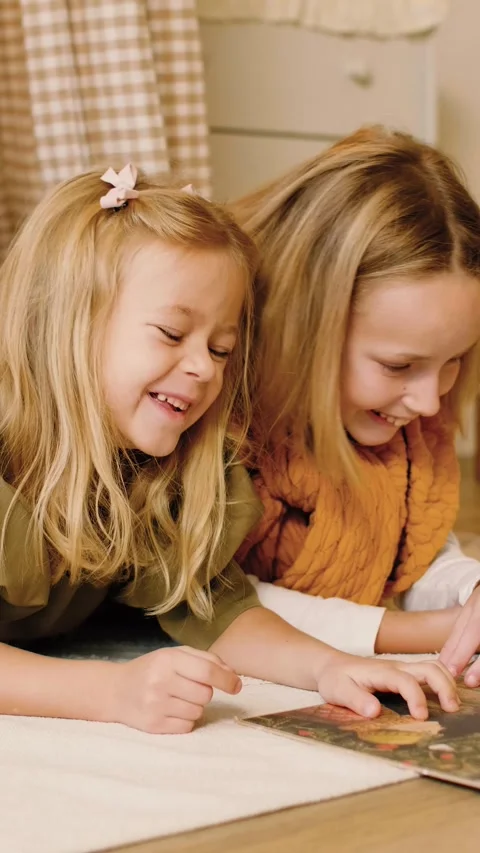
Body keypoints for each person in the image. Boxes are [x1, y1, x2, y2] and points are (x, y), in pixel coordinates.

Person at [0, 164, 457, 733]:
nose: (201, 368)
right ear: (63, 324)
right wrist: (107, 690)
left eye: (220, 350)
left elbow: (218, 609)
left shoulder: (168, 467)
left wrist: (330, 666)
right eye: (171, 334)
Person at [231, 126, 480, 686]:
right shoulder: (223, 426)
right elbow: (211, 597)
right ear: (304, 330)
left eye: (454, 360)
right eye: (398, 366)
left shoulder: (403, 428)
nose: (428, 399)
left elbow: (414, 552)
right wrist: (423, 632)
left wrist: (470, 590)